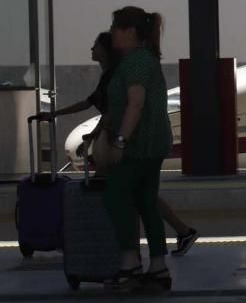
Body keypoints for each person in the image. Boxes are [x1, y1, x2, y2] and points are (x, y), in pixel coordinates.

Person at [38, 31, 199, 256]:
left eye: (95, 45)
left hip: (118, 142)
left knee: (116, 193)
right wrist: (57, 115)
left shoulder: (119, 73)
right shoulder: (109, 75)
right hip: (113, 140)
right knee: (137, 193)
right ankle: (176, 235)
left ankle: (113, 248)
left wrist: (99, 137)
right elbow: (91, 103)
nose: (91, 49)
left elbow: (115, 110)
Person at [102, 7, 175, 290]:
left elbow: (136, 102)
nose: (111, 34)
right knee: (146, 202)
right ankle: (158, 267)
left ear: (130, 31)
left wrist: (120, 140)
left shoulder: (134, 61)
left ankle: (129, 263)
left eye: (115, 28)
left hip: (139, 146)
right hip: (153, 144)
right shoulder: (145, 59)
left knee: (114, 197)